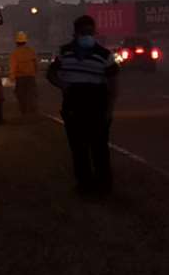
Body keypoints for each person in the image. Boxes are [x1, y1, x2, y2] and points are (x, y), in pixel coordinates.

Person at [47, 15, 119, 194]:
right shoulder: (64, 53)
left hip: (97, 105)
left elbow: (113, 83)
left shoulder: (104, 55)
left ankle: (103, 186)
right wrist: (63, 85)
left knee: (99, 148)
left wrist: (109, 109)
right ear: (76, 33)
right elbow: (51, 74)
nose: (88, 35)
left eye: (90, 32)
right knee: (79, 149)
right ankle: (85, 185)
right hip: (74, 106)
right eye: (84, 32)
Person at [10, 31, 39, 115]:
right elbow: (36, 64)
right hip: (30, 77)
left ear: (16, 42)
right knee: (32, 94)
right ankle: (33, 111)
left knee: (21, 95)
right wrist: (35, 72)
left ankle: (24, 111)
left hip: (20, 78)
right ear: (25, 41)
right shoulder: (31, 51)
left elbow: (13, 66)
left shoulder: (15, 53)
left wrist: (12, 77)